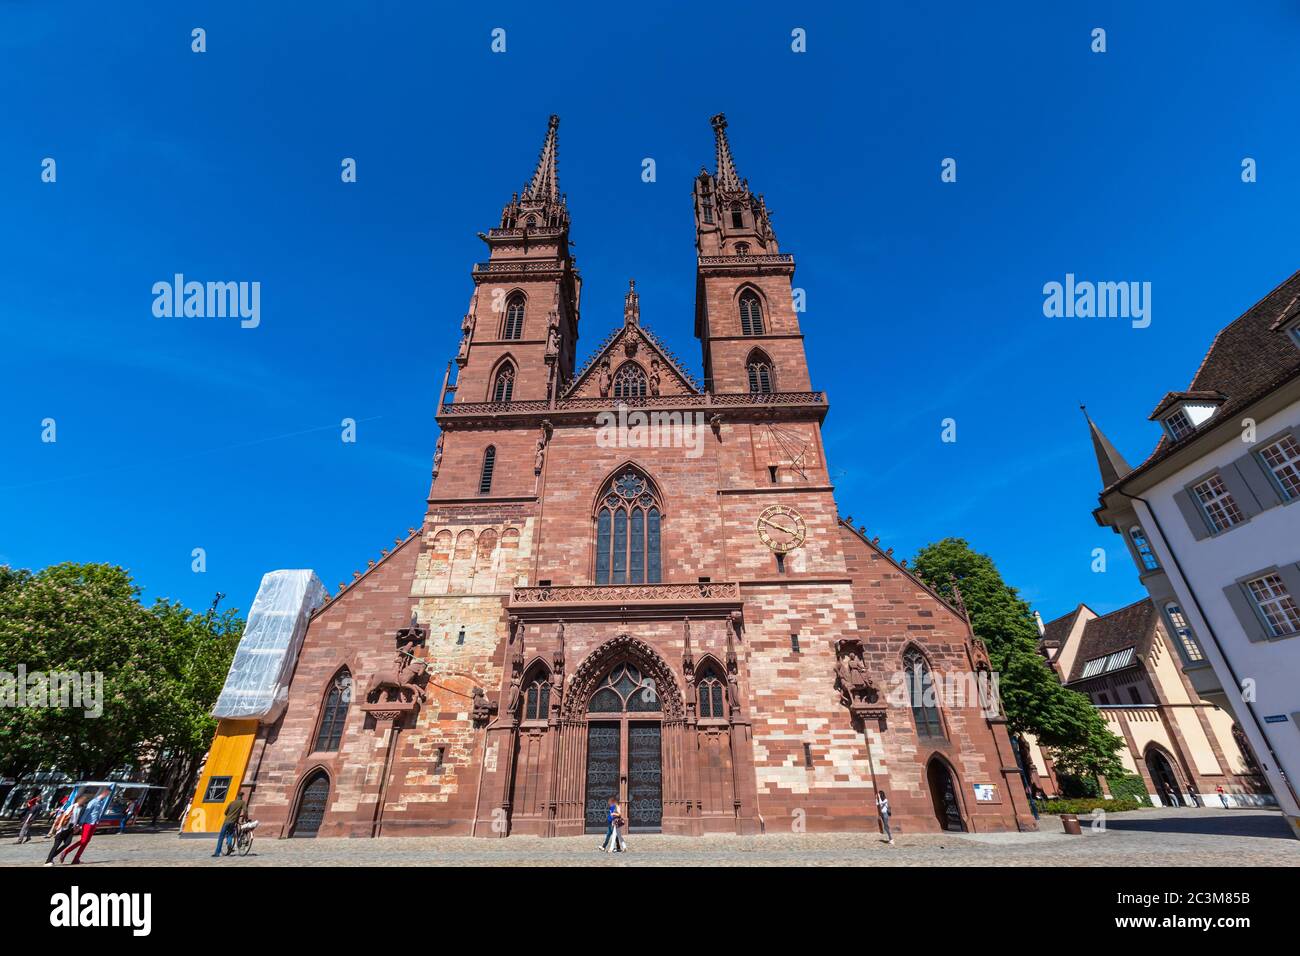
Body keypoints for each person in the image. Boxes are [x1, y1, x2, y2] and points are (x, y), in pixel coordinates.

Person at [60, 788, 111, 865]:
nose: (108, 795)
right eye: (108, 793)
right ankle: (65, 852)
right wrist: (80, 824)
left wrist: (97, 821)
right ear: (104, 792)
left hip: (94, 823)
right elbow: (86, 813)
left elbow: (98, 813)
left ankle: (76, 859)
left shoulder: (102, 802)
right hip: (87, 823)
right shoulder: (93, 802)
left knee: (86, 842)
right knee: (83, 841)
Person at [44, 794, 89, 866]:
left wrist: (77, 826)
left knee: (67, 843)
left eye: (85, 801)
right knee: (56, 845)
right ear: (79, 800)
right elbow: (64, 815)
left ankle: (52, 856)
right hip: (63, 828)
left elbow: (77, 818)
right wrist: (59, 825)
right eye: (83, 800)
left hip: (70, 829)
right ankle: (48, 861)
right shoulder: (72, 806)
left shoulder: (81, 808)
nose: (84, 802)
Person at [213, 792, 246, 857]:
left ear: (237, 796)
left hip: (226, 821)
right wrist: (245, 817)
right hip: (233, 822)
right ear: (242, 797)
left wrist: (230, 814)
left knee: (221, 837)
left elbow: (225, 812)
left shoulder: (231, 803)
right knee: (230, 834)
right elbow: (245, 811)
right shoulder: (242, 802)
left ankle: (217, 853)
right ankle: (229, 844)